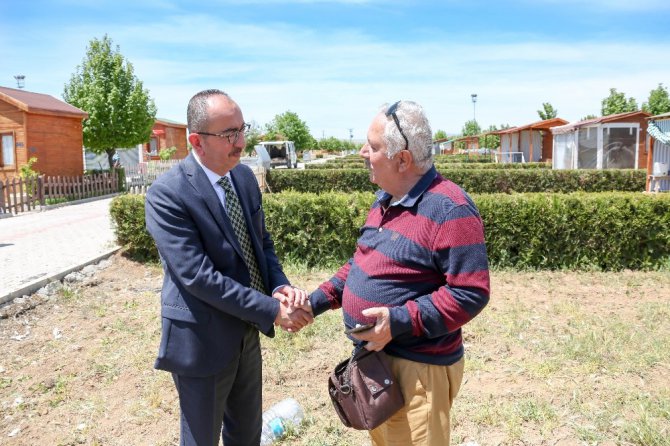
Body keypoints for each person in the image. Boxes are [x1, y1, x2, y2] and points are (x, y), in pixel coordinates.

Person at [305, 101, 490, 445]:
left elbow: (470, 292)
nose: (363, 153)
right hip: (377, 365)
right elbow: (362, 263)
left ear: (402, 159)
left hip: (417, 371)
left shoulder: (451, 208)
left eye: (373, 147)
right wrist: (315, 302)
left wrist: (400, 321)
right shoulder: (385, 199)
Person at [144, 89, 312, 446]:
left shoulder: (245, 179)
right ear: (196, 141)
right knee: (201, 439)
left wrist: (278, 286)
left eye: (241, 129)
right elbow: (198, 277)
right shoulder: (167, 194)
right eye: (228, 134)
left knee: (246, 435)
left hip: (246, 332)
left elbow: (260, 245)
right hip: (202, 341)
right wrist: (272, 311)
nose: (241, 142)